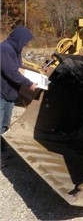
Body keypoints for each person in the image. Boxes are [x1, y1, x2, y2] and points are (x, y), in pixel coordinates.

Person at [0, 26, 37, 167]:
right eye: (25, 42)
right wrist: (29, 83)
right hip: (1, 94)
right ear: (18, 39)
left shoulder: (16, 50)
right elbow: (11, 73)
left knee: (5, 124)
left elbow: (18, 67)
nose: (25, 45)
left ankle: (2, 150)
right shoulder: (4, 49)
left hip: (9, 94)